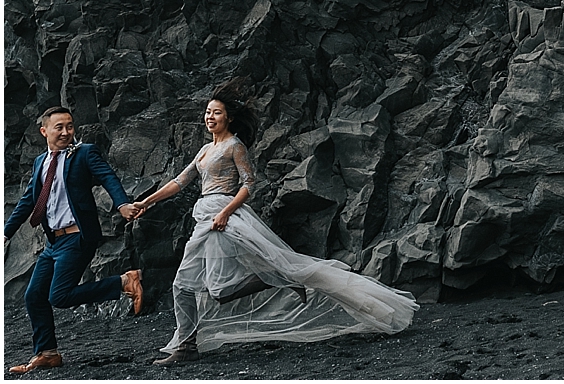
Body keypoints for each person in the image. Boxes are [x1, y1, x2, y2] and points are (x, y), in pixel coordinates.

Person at [133, 78, 418, 365]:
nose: (210, 117)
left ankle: (186, 346)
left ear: (229, 117)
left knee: (184, 283)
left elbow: (248, 185)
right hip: (205, 214)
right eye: (207, 112)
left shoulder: (235, 145)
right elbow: (179, 182)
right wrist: (146, 202)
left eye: (216, 112)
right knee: (218, 290)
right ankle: (279, 279)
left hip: (222, 214)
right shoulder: (205, 151)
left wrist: (225, 213)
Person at [3, 106, 144, 375]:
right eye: (60, 127)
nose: (66, 132)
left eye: (70, 126)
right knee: (34, 295)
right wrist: (5, 233)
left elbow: (107, 176)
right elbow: (28, 201)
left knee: (60, 295)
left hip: (78, 236)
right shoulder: (40, 162)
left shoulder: (84, 153)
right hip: (53, 242)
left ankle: (124, 282)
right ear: (44, 131)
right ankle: (47, 353)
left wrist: (122, 203)